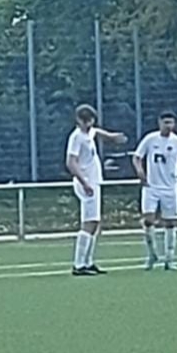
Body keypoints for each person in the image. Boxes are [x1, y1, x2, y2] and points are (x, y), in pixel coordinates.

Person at [132, 112, 177, 271]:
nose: (168, 126)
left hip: (170, 188)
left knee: (170, 223)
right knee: (148, 220)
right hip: (151, 187)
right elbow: (136, 157)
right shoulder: (150, 139)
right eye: (165, 122)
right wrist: (140, 171)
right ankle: (152, 254)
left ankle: (169, 258)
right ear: (159, 122)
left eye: (171, 123)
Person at [66, 104, 127, 276]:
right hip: (87, 183)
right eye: (85, 121)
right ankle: (79, 265)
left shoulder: (89, 133)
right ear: (78, 120)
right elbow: (71, 162)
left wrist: (111, 137)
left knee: (95, 223)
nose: (88, 124)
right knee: (89, 223)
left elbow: (96, 132)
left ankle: (88, 262)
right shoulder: (76, 137)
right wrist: (84, 182)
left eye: (91, 120)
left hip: (94, 182)